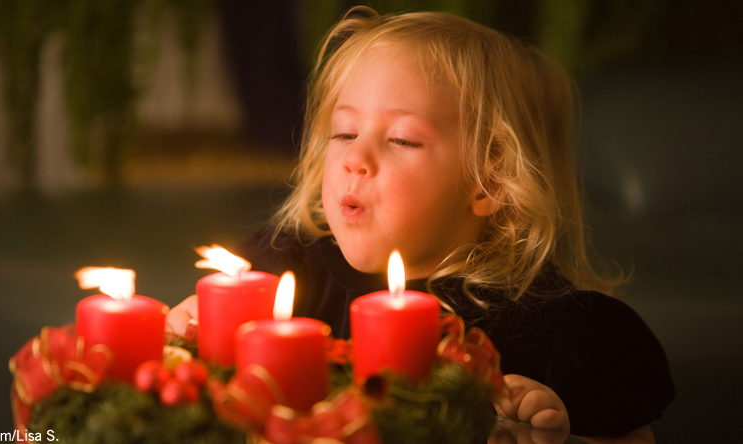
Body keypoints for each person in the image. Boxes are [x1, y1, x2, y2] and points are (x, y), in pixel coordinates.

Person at [167, 6, 675, 443]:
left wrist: (549, 416)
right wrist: (197, 336)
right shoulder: (282, 272)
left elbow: (633, 422)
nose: (355, 159)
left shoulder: (546, 326)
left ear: (490, 183)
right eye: (343, 132)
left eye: (403, 140)